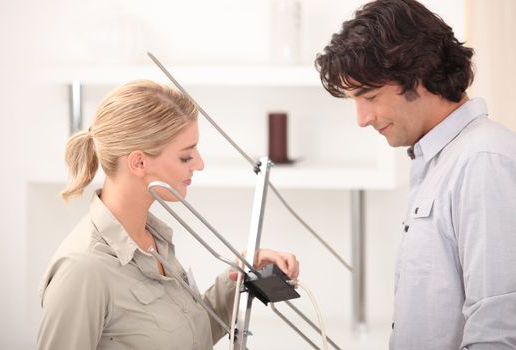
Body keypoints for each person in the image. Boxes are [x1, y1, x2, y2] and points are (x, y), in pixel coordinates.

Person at [37, 80, 299, 350]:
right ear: (139, 162)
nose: (200, 164)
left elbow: (187, 337)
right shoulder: (83, 270)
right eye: (186, 156)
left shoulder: (153, 239)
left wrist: (239, 275)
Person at [316, 0, 516, 349]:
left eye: (370, 96)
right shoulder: (438, 160)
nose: (361, 119)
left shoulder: (483, 160)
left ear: (419, 76)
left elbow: (498, 328)